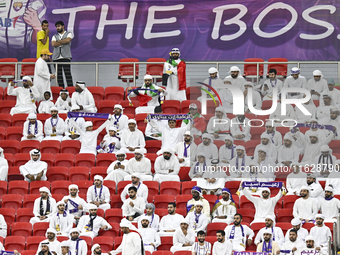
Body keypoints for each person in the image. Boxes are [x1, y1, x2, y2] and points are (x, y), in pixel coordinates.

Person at [52, 20, 73, 88]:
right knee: (59, 76)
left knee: (68, 74)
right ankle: (61, 89)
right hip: (56, 58)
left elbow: (68, 40)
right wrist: (63, 42)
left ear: (63, 26)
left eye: (58, 26)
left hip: (66, 57)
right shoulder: (54, 36)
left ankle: (70, 89)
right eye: (56, 27)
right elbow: (53, 44)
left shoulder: (68, 34)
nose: (57, 28)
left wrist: (59, 41)